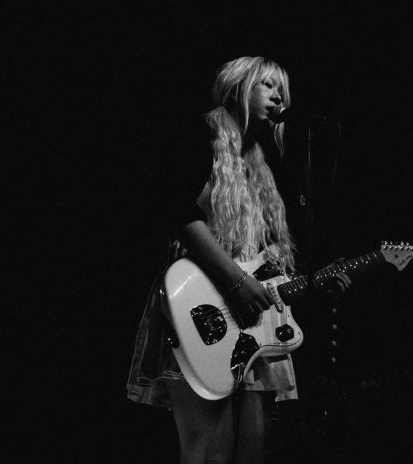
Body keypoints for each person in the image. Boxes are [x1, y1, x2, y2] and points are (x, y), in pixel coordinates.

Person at [127, 56, 351, 464]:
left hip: (251, 320)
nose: (280, 97)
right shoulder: (200, 135)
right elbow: (177, 211)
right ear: (236, 88)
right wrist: (235, 280)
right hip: (201, 302)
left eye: (283, 89)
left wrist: (313, 281)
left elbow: (266, 259)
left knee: (252, 448)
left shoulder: (263, 160)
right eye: (268, 85)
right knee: (206, 450)